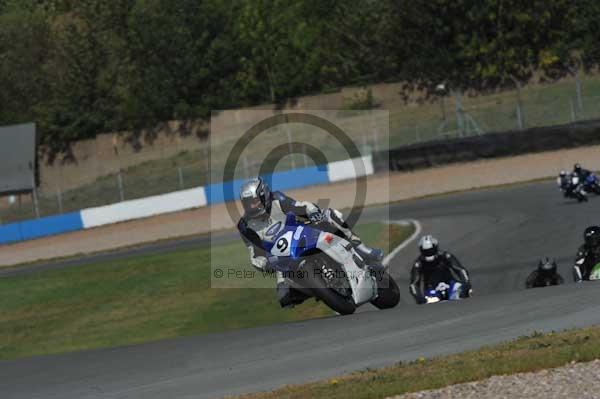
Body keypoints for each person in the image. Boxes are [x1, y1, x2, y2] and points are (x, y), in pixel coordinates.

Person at [237, 177, 384, 307]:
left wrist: (313, 212)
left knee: (330, 214)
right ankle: (319, 290)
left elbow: (302, 206)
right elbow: (254, 254)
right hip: (283, 259)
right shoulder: (245, 225)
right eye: (247, 203)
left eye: (254, 202)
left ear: (264, 196)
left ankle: (362, 248)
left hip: (303, 233)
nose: (251, 207)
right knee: (284, 297)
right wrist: (264, 263)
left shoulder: (277, 199)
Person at [409, 235, 472, 304]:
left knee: (461, 294)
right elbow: (414, 284)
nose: (429, 253)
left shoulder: (446, 256)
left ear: (435, 248)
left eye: (431, 250)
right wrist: (419, 298)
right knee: (430, 302)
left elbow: (460, 270)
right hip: (431, 289)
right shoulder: (418, 263)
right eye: (426, 251)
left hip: (451, 284)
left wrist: (466, 284)